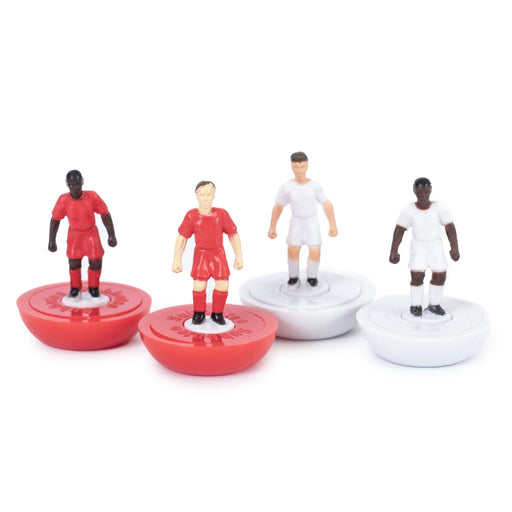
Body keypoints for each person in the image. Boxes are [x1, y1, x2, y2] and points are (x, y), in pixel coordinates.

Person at [173, 181, 243, 325]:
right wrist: (177, 260)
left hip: (218, 255)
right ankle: (198, 313)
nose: (205, 198)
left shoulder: (221, 214)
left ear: (214, 194)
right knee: (199, 285)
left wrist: (239, 256)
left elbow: (233, 235)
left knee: (223, 285)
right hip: (201, 256)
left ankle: (218, 314)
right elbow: (182, 238)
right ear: (196, 195)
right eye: (202, 194)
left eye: (209, 194)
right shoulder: (191, 216)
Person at [389, 177, 460, 316]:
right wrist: (394, 251)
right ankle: (415, 305)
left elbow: (449, 227)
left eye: (426, 191)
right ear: (414, 191)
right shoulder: (409, 209)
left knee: (440, 275)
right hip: (419, 247)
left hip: (435, 246)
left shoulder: (438, 207)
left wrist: (454, 248)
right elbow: (400, 229)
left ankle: (434, 304)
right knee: (417, 275)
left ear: (430, 190)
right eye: (420, 192)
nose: (423, 195)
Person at [268, 151, 338, 286]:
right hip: (296, 222)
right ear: (291, 167)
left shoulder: (315, 186)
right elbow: (278, 207)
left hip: (312, 222)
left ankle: (312, 276)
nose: (299, 170)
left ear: (307, 166)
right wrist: (272, 227)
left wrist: (333, 225)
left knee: (315, 251)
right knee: (293, 250)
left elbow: (327, 204)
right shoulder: (287, 187)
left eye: (302, 166)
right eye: (296, 167)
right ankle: (293, 276)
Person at [48, 170, 117, 298]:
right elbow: (55, 219)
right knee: (73, 262)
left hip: (91, 234)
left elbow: (105, 214)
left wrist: (111, 235)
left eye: (77, 184)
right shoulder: (63, 200)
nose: (75, 187)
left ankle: (94, 287)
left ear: (82, 183)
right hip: (75, 236)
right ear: (67, 185)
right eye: (71, 185)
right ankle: (75, 288)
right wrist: (52, 240)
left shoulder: (92, 197)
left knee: (96, 261)